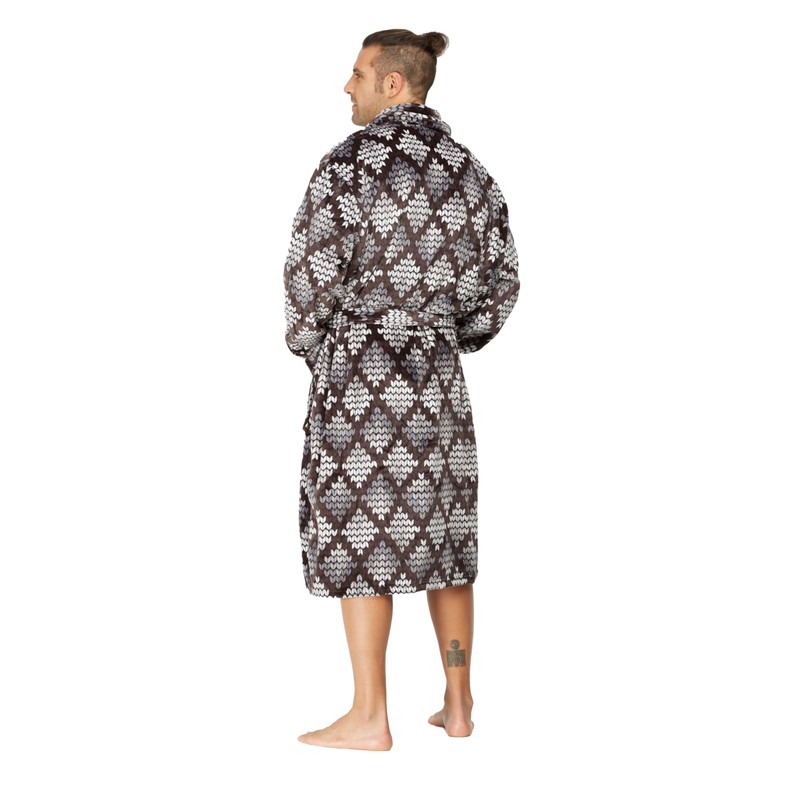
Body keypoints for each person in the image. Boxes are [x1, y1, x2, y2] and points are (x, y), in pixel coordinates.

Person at [283, 29, 520, 750]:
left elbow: (308, 279)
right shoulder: (472, 174)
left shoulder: (350, 164)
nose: (346, 86)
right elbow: (501, 286)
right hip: (438, 385)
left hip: (363, 379)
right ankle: (458, 703)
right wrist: (447, 337)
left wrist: (319, 347)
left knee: (364, 538)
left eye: (357, 74)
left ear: (393, 83)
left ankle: (369, 717)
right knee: (445, 536)